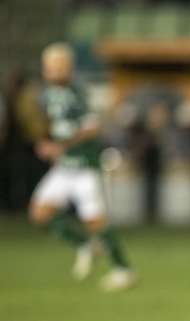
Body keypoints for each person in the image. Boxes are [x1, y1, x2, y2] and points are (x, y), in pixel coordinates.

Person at [29, 43, 136, 291]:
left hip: (85, 168)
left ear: (68, 67)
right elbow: (50, 127)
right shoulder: (46, 95)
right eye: (49, 67)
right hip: (63, 168)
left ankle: (123, 269)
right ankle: (85, 246)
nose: (53, 71)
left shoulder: (78, 93)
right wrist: (45, 144)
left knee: (95, 221)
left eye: (58, 66)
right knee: (39, 213)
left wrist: (63, 145)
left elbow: (92, 127)